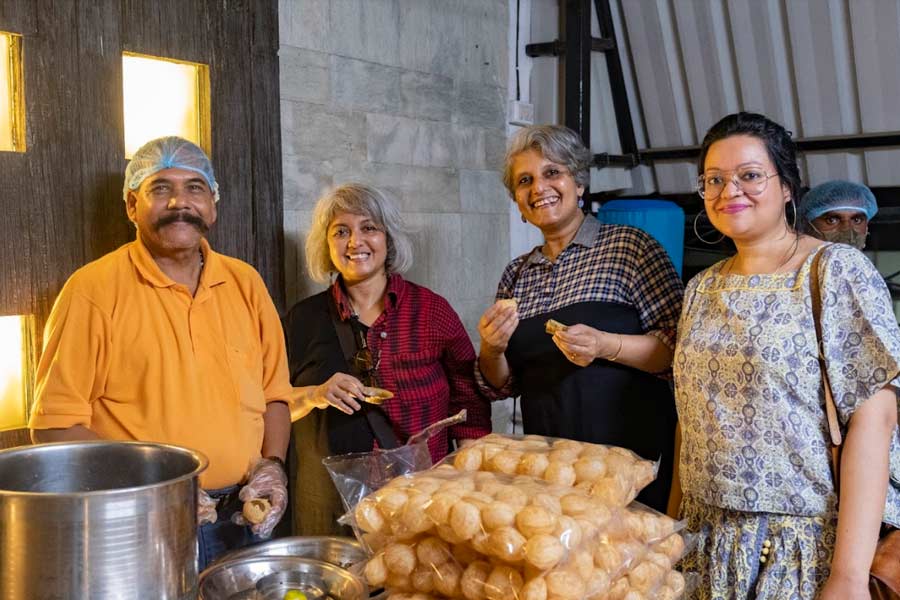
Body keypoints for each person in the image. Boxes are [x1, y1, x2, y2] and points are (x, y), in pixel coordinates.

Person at [29, 137, 292, 570]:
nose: (179, 202)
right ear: (132, 206)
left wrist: (274, 466)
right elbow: (54, 428)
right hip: (140, 524)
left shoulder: (245, 283)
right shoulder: (93, 290)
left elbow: (276, 395)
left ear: (213, 204)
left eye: (194, 188)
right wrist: (158, 488)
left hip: (245, 520)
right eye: (160, 188)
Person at [675, 111, 900, 599]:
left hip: (800, 549)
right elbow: (690, 420)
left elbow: (874, 419)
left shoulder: (835, 271)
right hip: (704, 544)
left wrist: (848, 577)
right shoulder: (699, 289)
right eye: (714, 179)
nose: (729, 190)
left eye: (750, 175)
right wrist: (670, 538)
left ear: (787, 189)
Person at [475, 124, 683, 512]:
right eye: (525, 181)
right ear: (519, 204)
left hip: (630, 464)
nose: (539, 187)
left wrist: (608, 346)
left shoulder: (630, 248)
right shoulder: (516, 274)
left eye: (552, 172)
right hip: (553, 468)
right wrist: (492, 348)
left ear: (580, 184)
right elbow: (502, 385)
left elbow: (679, 350)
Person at [283, 182, 492, 536]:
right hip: (331, 509)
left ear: (388, 239)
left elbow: (469, 402)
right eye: (341, 231)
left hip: (424, 502)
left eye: (369, 228)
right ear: (326, 244)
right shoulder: (301, 320)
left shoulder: (432, 311)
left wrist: (466, 484)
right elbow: (267, 404)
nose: (355, 242)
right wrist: (315, 394)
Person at [799, 179, 877, 250]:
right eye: (832, 220)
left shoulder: (864, 265)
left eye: (857, 220)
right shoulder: (793, 264)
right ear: (807, 226)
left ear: (866, 227)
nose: (847, 229)